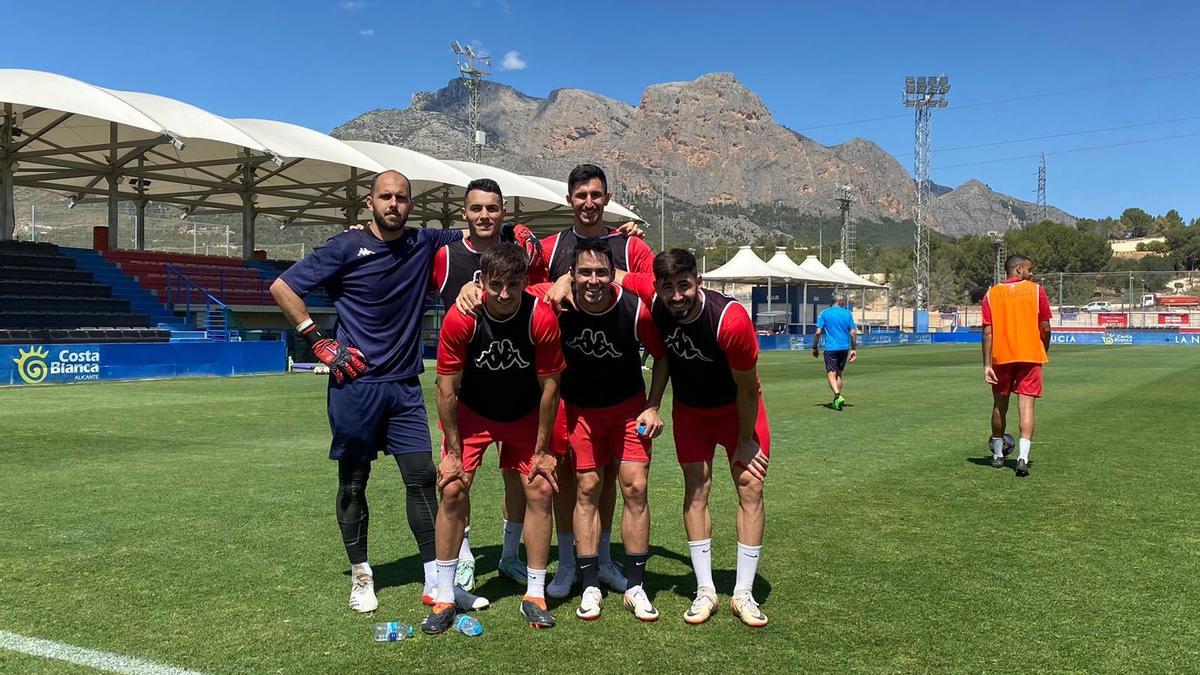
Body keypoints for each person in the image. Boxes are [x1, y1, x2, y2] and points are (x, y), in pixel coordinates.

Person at [269, 170, 483, 614]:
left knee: (424, 480)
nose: (393, 204)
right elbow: (282, 286)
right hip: (355, 384)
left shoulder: (423, 242)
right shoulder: (345, 247)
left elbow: (477, 229)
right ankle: (362, 573)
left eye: (401, 198)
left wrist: (521, 230)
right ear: (370, 202)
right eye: (385, 197)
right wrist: (316, 339)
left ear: (410, 204)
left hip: (404, 386)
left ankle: (437, 582)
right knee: (353, 481)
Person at [614, 249, 771, 628]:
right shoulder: (654, 297)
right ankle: (706, 591)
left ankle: (743, 594)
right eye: (668, 287)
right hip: (691, 414)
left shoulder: (729, 320)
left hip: (738, 413)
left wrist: (746, 440)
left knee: (750, 488)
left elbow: (749, 389)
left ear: (698, 282)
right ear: (657, 288)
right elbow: (615, 276)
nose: (676, 296)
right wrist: (566, 280)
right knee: (696, 491)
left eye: (684, 285)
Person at [423, 243, 565, 632]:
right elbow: (446, 389)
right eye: (496, 284)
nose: (505, 294)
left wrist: (542, 450)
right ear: (481, 281)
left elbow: (551, 387)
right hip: (473, 413)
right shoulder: (462, 318)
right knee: (451, 488)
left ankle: (535, 594)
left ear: (524, 283)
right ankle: (445, 596)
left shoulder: (540, 317)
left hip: (524, 414)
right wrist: (453, 452)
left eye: (514, 285)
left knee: (540, 488)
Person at [527, 238, 669, 622]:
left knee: (635, 487)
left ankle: (636, 585)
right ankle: (589, 583)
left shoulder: (633, 307)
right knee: (587, 488)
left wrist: (653, 405)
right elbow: (508, 291)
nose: (593, 280)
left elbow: (661, 355)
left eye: (601, 272)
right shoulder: (556, 302)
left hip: (627, 411)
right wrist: (469, 289)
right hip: (580, 413)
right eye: (585, 272)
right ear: (572, 275)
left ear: (613, 274)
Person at [538, 163, 654, 599]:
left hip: (620, 391)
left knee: (608, 478)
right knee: (571, 481)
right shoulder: (552, 249)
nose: (589, 202)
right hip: (567, 391)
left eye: (596, 195)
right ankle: (568, 564)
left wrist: (617, 274)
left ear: (607, 198)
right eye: (581, 195)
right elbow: (519, 280)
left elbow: (654, 286)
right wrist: (558, 279)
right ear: (569, 199)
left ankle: (603, 560)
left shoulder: (627, 247)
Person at [429, 178, 548, 591]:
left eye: (492, 208)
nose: (485, 216)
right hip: (469, 392)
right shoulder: (444, 255)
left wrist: (619, 234)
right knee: (459, 482)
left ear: (503, 212)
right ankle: (461, 558)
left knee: (520, 480)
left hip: (519, 392)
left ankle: (509, 556)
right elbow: (402, 250)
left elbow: (551, 278)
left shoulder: (521, 250)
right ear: (465, 211)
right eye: (477, 208)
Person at [982, 254, 1051, 478]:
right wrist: (1043, 350)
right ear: (1019, 269)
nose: (1032, 273)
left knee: (999, 405)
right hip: (1030, 356)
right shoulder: (1035, 290)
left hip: (1001, 357)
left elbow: (987, 332)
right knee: (1027, 407)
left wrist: (986, 364)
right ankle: (1022, 458)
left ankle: (998, 455)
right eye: (1030, 269)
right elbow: (1046, 327)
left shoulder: (991, 294)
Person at [811, 292, 858, 410]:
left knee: (831, 373)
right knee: (839, 373)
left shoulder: (825, 313)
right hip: (844, 348)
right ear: (840, 301)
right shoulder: (847, 314)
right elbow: (852, 333)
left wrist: (814, 347)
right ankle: (837, 400)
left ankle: (837, 396)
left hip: (831, 348)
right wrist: (853, 349)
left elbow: (818, 332)